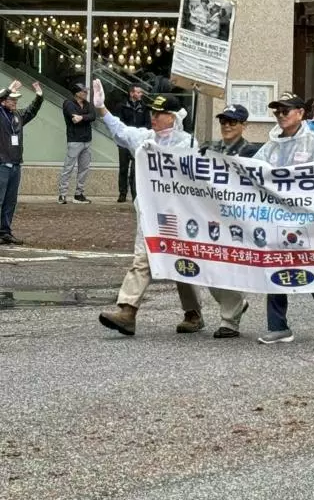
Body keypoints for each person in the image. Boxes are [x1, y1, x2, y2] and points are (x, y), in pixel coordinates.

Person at [95, 84, 249, 338]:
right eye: (152, 113)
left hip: (182, 215)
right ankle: (127, 311)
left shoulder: (188, 143)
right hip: (150, 215)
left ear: (173, 117)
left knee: (185, 262)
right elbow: (120, 131)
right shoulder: (145, 140)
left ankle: (195, 312)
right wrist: (102, 109)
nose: (153, 118)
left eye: (159, 114)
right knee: (142, 260)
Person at [254, 92, 314, 345]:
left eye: (285, 111)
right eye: (277, 112)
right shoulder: (270, 145)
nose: (280, 116)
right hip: (274, 216)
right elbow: (253, 170)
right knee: (275, 265)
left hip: (305, 217)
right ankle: (278, 326)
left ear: (300, 113)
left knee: (306, 266)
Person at [0, 80, 44, 245]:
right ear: (3, 101)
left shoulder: (17, 116)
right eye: (12, 99)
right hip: (1, 164)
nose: (15, 102)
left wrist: (39, 96)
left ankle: (5, 232)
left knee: (10, 201)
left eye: (16, 100)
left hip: (15, 164)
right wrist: (8, 89)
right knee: (0, 199)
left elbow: (32, 111)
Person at [57, 82, 96, 205]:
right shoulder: (68, 103)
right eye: (83, 91)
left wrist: (82, 117)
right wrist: (84, 117)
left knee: (84, 168)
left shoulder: (88, 104)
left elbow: (93, 116)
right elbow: (74, 118)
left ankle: (79, 194)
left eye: (86, 91)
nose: (86, 93)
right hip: (74, 140)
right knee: (68, 168)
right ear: (77, 93)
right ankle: (62, 195)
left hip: (87, 140)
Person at [116, 85, 150, 202]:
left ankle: (135, 195)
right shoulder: (122, 106)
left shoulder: (144, 107)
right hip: (125, 142)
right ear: (131, 93)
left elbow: (147, 124)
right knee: (123, 168)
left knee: (136, 170)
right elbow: (119, 124)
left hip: (138, 143)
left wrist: (142, 136)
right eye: (139, 92)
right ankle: (122, 193)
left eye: (141, 92)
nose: (141, 94)